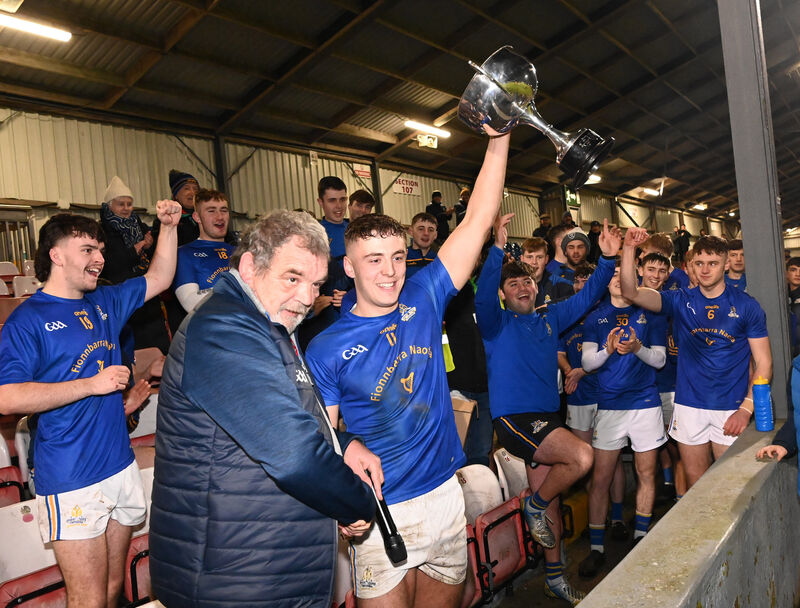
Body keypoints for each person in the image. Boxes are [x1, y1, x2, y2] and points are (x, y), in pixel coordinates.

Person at [306, 132, 511, 607]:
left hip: (444, 495)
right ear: (349, 267)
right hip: (382, 513)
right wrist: (341, 501)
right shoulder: (326, 346)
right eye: (374, 259)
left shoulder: (424, 294)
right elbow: (324, 437)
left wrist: (498, 137)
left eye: (397, 257)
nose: (390, 271)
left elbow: (478, 219)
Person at [149, 210, 380, 607]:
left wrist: (343, 444)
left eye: (316, 284)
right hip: (235, 575)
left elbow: (288, 413)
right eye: (292, 278)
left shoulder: (265, 323)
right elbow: (292, 454)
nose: (308, 298)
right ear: (249, 267)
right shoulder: (224, 328)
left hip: (265, 561)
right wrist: (358, 501)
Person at [0, 202, 181, 608]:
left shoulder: (104, 302)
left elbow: (160, 276)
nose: (100, 258)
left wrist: (168, 227)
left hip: (118, 465)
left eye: (100, 249)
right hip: (71, 478)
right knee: (87, 599)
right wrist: (89, 385)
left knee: (115, 587)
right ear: (56, 255)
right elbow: (6, 398)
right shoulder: (28, 320)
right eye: (87, 250)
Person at [476, 214, 621, 604]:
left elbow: (589, 295)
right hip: (515, 420)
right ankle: (533, 506)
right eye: (513, 283)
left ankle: (554, 577)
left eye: (527, 280)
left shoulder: (550, 317)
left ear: (536, 286)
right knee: (581, 457)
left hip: (546, 419)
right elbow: (482, 292)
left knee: (553, 501)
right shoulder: (495, 324)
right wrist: (495, 249)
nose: (522, 285)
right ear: (504, 294)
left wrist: (607, 260)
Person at [620, 230, 772, 489]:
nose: (705, 270)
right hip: (689, 406)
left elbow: (764, 362)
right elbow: (631, 292)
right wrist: (627, 248)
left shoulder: (747, 306)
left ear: (725, 265)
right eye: (699, 263)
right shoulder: (680, 300)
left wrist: (746, 409)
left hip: (730, 407)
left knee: (729, 487)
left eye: (712, 263)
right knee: (696, 486)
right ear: (690, 265)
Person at [578, 264, 668, 577]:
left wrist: (637, 348)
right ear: (606, 283)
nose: (618, 279)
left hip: (645, 403)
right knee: (600, 479)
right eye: (613, 276)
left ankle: (641, 537)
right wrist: (608, 349)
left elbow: (660, 359)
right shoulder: (595, 317)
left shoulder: (651, 314)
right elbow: (588, 363)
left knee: (646, 473)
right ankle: (597, 549)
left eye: (623, 275)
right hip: (610, 406)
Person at [299, 176, 353, 350]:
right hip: (325, 325)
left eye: (342, 199)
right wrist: (309, 308)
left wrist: (353, 297)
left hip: (353, 319)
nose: (338, 206)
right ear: (320, 202)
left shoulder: (357, 231)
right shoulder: (312, 235)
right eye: (332, 201)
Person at [173, 189, 235, 312]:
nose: (220, 216)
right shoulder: (184, 254)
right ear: (197, 217)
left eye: (224, 210)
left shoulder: (240, 252)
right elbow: (190, 303)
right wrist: (237, 290)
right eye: (211, 211)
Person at [99, 176, 153, 284]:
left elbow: (153, 254)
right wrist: (134, 250)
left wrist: (149, 246)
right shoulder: (101, 230)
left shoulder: (139, 225)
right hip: (118, 286)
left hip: (144, 281)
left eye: (129, 204)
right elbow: (109, 264)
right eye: (121, 204)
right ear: (109, 206)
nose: (126, 208)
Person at [519, 237, 573, 308]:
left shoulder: (561, 284)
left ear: (546, 259)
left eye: (539, 257)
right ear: (522, 259)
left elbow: (575, 301)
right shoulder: (513, 286)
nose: (534, 262)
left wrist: (547, 307)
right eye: (529, 257)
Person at [406, 212, 438, 279]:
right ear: (411, 231)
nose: (426, 233)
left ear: (435, 235)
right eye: (421, 229)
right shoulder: (402, 258)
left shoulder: (440, 260)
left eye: (431, 230)